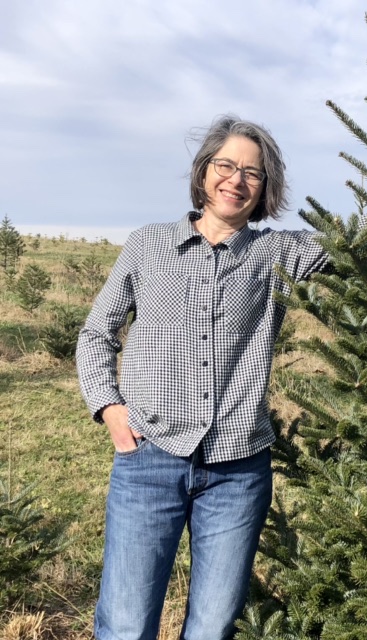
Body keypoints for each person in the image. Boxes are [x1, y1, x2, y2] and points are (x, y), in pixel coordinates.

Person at [76, 115, 328, 640]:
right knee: (125, 624)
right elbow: (97, 331)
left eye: (252, 174)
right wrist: (109, 407)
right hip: (149, 458)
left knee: (214, 627)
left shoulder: (275, 254)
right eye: (226, 166)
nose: (236, 180)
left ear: (265, 188)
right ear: (204, 172)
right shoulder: (148, 245)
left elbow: (357, 247)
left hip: (239, 470)